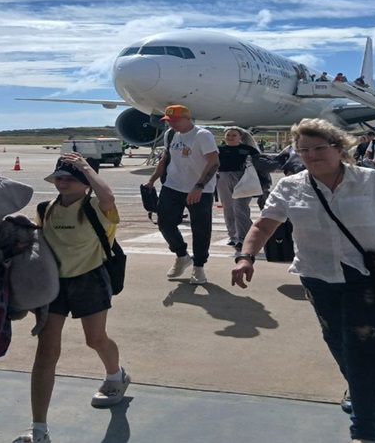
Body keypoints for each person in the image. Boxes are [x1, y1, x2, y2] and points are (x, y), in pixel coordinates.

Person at [231, 118, 375, 443]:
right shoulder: (290, 185)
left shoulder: (371, 181)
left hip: (368, 278)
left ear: (339, 148)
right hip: (317, 277)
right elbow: (264, 225)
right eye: (304, 150)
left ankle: (365, 428)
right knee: (336, 340)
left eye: (319, 148)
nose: (311, 155)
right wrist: (245, 257)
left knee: (362, 347)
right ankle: (359, 390)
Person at [14, 152, 128, 443]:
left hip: (90, 279)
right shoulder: (46, 207)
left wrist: (86, 168)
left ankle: (116, 376)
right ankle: (38, 429)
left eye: (70, 177)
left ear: (85, 182)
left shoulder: (96, 208)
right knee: (46, 351)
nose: (62, 182)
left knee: (95, 339)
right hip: (54, 285)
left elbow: (107, 195)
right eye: (59, 177)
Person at [144, 105, 219, 285]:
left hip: (200, 188)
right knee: (164, 222)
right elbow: (166, 158)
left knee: (200, 229)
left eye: (176, 120)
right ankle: (182, 255)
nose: (172, 124)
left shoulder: (203, 135)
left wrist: (199, 186)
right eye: (169, 121)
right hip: (173, 185)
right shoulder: (171, 134)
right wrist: (152, 179)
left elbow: (214, 162)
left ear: (188, 118)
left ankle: (199, 266)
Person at [217, 127, 261, 250]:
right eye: (228, 135)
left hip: (243, 178)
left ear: (240, 137)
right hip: (223, 178)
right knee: (228, 207)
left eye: (234, 135)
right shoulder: (219, 150)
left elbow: (260, 164)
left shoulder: (248, 150)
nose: (230, 137)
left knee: (240, 207)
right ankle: (232, 235)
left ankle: (244, 235)